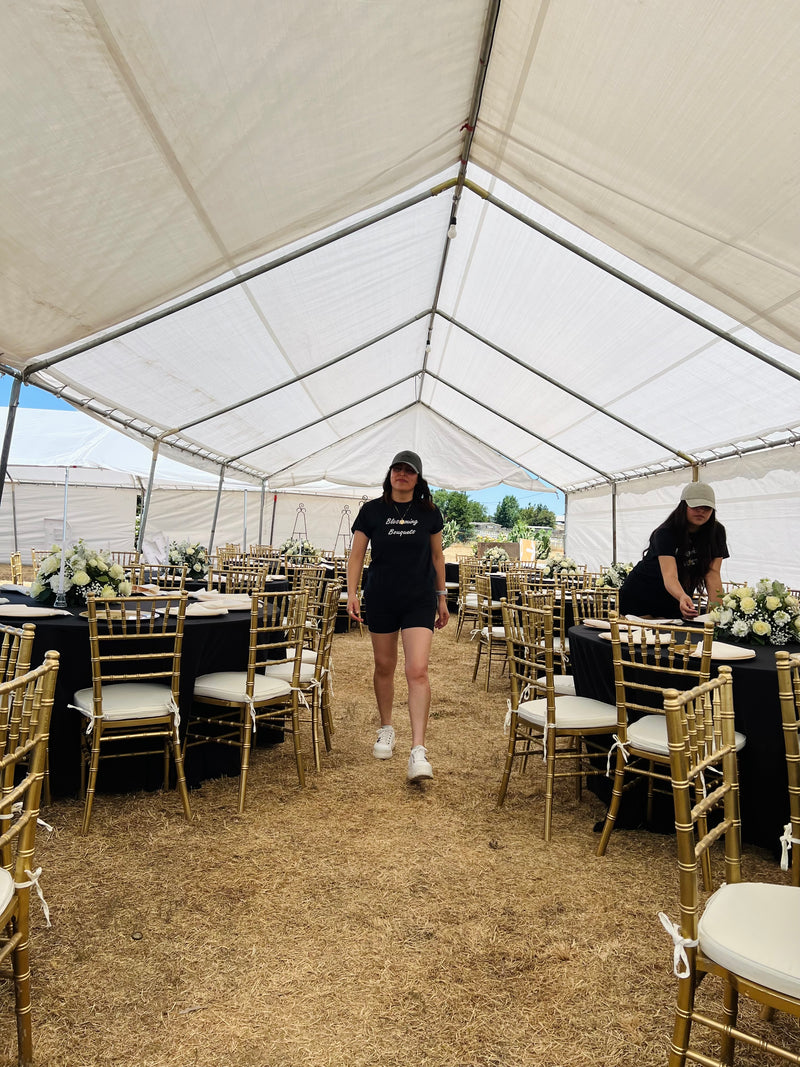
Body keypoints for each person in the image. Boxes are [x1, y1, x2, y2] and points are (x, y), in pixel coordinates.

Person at [346, 449, 449, 781]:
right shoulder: (372, 511)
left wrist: (442, 597)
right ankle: (386, 727)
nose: (401, 474)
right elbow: (356, 556)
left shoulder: (429, 513)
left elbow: (437, 558)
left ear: (417, 478)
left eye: (408, 470)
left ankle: (418, 751)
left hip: (419, 600)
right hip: (381, 598)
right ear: (389, 474)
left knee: (417, 670)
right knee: (384, 666)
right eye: (397, 469)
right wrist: (352, 593)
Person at [619, 481, 728, 620]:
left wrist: (719, 613)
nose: (701, 511)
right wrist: (682, 596)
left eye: (706, 507)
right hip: (642, 594)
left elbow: (713, 574)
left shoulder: (717, 532)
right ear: (683, 506)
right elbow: (670, 575)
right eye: (695, 506)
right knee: (642, 638)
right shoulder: (666, 532)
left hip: (675, 600)